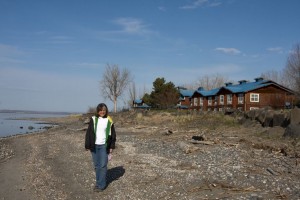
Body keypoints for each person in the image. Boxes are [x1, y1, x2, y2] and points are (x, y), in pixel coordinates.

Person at [85, 103, 116, 192]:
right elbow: (89, 133)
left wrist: (111, 146)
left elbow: (113, 134)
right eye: (101, 110)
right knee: (97, 166)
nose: (102, 111)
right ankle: (98, 182)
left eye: (104, 110)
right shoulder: (93, 119)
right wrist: (87, 145)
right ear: (98, 111)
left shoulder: (109, 120)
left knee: (102, 165)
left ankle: (101, 185)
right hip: (94, 146)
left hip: (104, 146)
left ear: (106, 111)